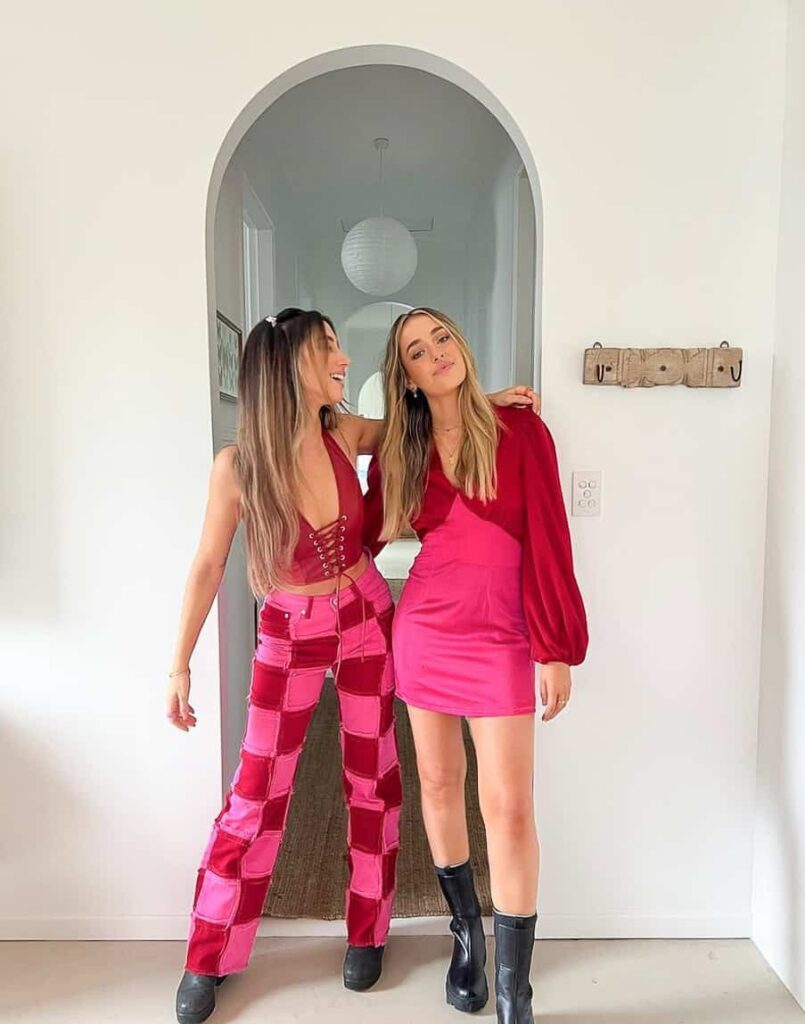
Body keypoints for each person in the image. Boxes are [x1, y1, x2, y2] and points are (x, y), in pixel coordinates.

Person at [167, 307, 538, 1023]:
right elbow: (209, 564)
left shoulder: (341, 429)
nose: (343, 360)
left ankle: (366, 932)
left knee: (374, 781)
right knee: (256, 796)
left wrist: (486, 402)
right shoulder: (239, 464)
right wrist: (179, 663)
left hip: (366, 614)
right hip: (288, 629)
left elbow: (417, 423)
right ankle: (207, 953)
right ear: (289, 363)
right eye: (328, 348)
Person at [363, 307, 588, 1024]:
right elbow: (366, 524)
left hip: (502, 638)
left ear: (461, 343)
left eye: (442, 339)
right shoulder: (407, 449)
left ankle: (515, 989)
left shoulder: (522, 433)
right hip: (425, 629)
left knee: (509, 808)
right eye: (417, 352)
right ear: (404, 375)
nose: (436, 355)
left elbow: (549, 539)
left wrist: (553, 645)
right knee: (436, 780)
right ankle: (467, 938)